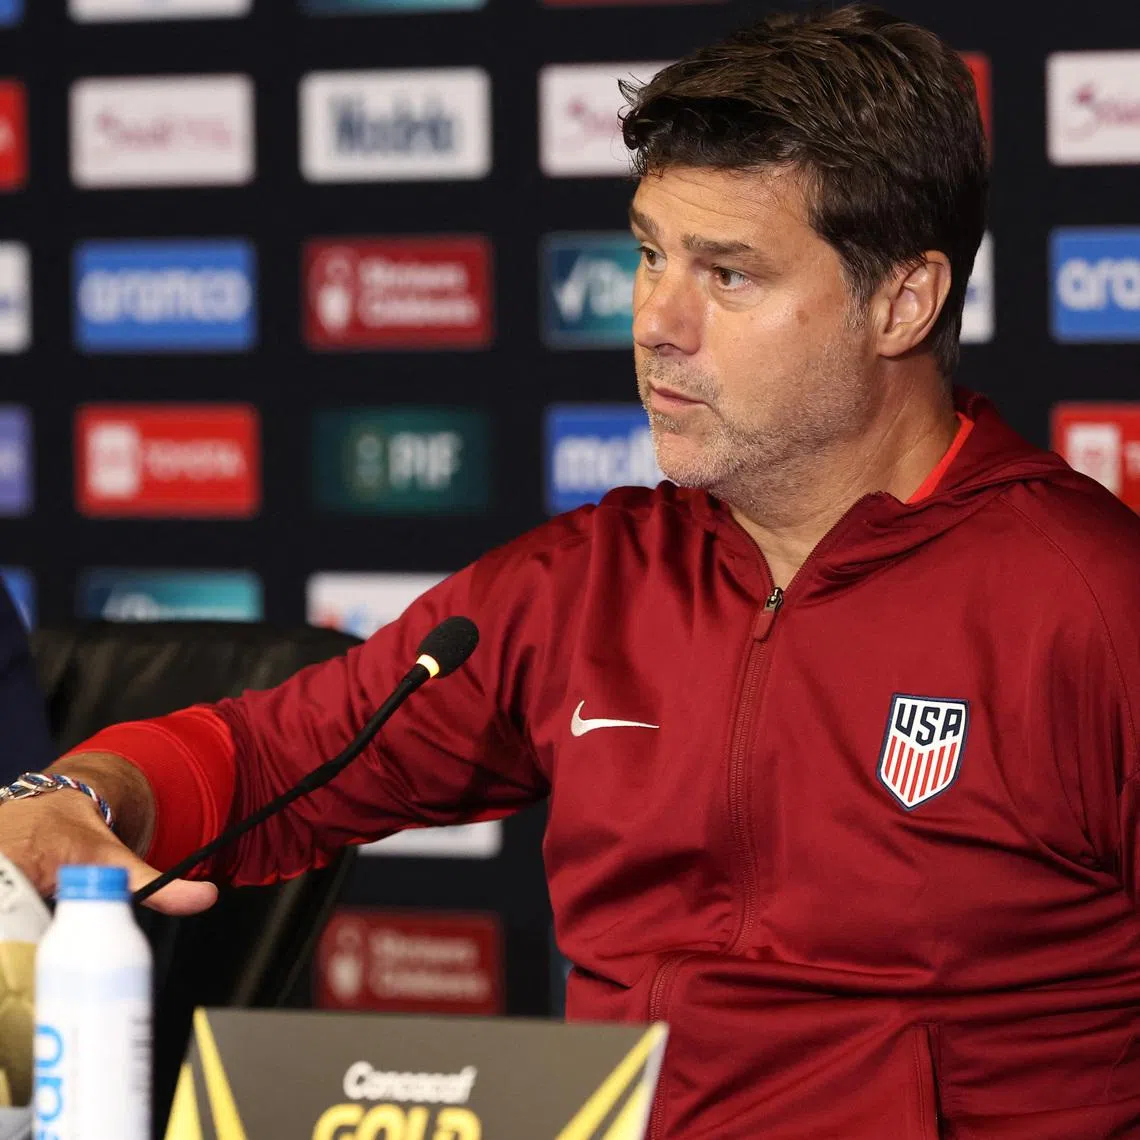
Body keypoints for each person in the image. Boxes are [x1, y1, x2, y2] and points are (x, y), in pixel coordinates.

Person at [4, 6, 1140, 1136]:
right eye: (649, 255)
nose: (656, 320)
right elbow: (269, 755)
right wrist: (83, 795)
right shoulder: (590, 583)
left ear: (903, 300)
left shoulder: (1089, 603)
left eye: (729, 276)